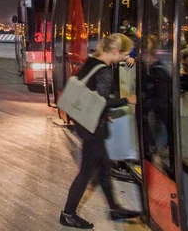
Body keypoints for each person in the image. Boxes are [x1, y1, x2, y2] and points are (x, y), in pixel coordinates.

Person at [60, 33, 141, 229]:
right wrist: (127, 100)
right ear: (114, 51)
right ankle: (68, 214)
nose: (125, 58)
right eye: (124, 54)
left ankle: (114, 208)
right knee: (86, 172)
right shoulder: (104, 71)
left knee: (104, 166)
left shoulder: (92, 61)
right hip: (93, 128)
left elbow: (88, 92)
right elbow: (102, 101)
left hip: (85, 122)